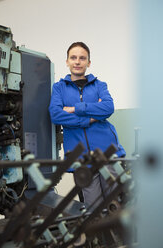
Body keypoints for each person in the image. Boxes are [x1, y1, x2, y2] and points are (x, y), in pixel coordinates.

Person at [49, 42, 126, 210]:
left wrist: (75, 108)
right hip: (81, 161)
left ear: (88, 63)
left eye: (82, 58)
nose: (77, 62)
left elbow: (107, 107)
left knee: (117, 208)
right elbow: (55, 114)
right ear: (67, 61)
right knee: (93, 212)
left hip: (108, 154)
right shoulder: (59, 88)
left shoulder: (100, 85)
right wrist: (89, 119)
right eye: (73, 58)